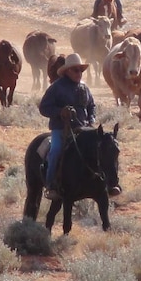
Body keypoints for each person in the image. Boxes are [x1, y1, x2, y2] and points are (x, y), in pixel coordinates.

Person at [38, 53, 96, 200]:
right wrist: (60, 112)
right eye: (75, 70)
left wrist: (91, 119)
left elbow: (91, 106)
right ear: (67, 71)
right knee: (56, 150)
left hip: (83, 128)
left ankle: (102, 183)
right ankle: (50, 185)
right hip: (61, 129)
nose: (79, 74)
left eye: (81, 71)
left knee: (100, 149)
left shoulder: (84, 87)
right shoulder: (56, 88)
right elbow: (44, 108)